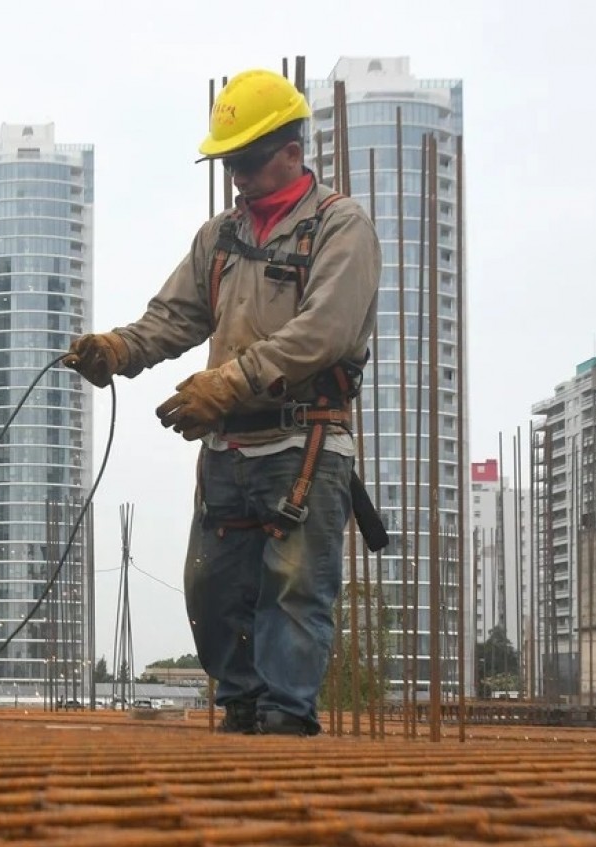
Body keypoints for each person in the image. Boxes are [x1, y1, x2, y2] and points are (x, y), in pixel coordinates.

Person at [64, 69, 383, 736]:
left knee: (293, 594)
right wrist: (117, 350)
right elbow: (172, 319)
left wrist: (229, 382)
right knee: (211, 591)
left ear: (292, 151)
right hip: (229, 451)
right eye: (229, 161)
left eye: (248, 159)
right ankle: (241, 717)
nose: (237, 174)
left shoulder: (339, 226)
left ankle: (287, 725)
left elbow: (325, 332)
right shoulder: (219, 238)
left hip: (304, 444)